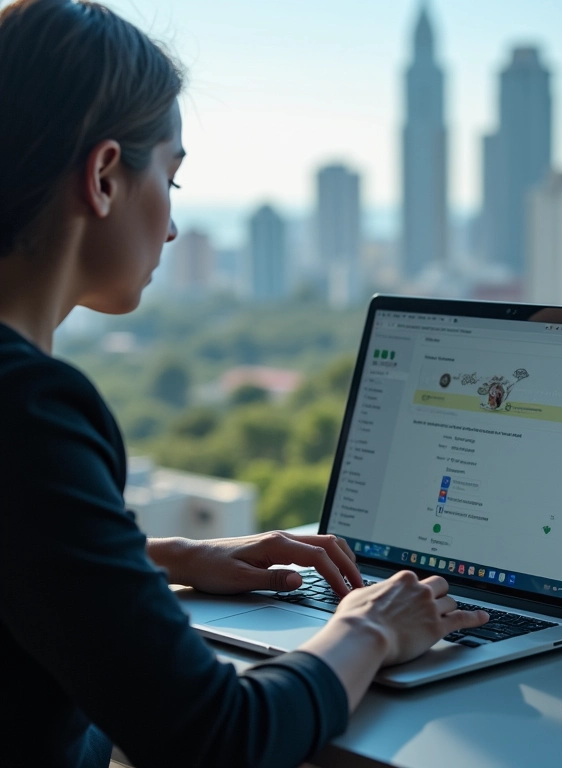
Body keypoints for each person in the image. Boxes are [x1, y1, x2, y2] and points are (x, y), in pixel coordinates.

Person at [0, 1, 488, 766]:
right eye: (172, 177)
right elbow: (218, 739)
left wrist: (163, 557)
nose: (170, 227)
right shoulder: (29, 411)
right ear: (102, 177)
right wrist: (371, 627)